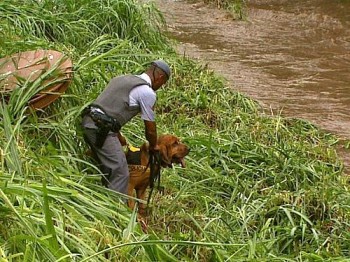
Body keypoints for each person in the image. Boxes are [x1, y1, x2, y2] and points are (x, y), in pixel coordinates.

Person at [81, 60, 171, 197]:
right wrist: (154, 146)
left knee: (106, 166)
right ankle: (115, 212)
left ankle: (98, 197)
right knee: (120, 171)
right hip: (102, 130)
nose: (160, 87)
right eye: (162, 84)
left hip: (88, 121)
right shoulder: (147, 93)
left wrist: (118, 135)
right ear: (160, 78)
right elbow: (150, 129)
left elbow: (109, 108)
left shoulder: (122, 79)